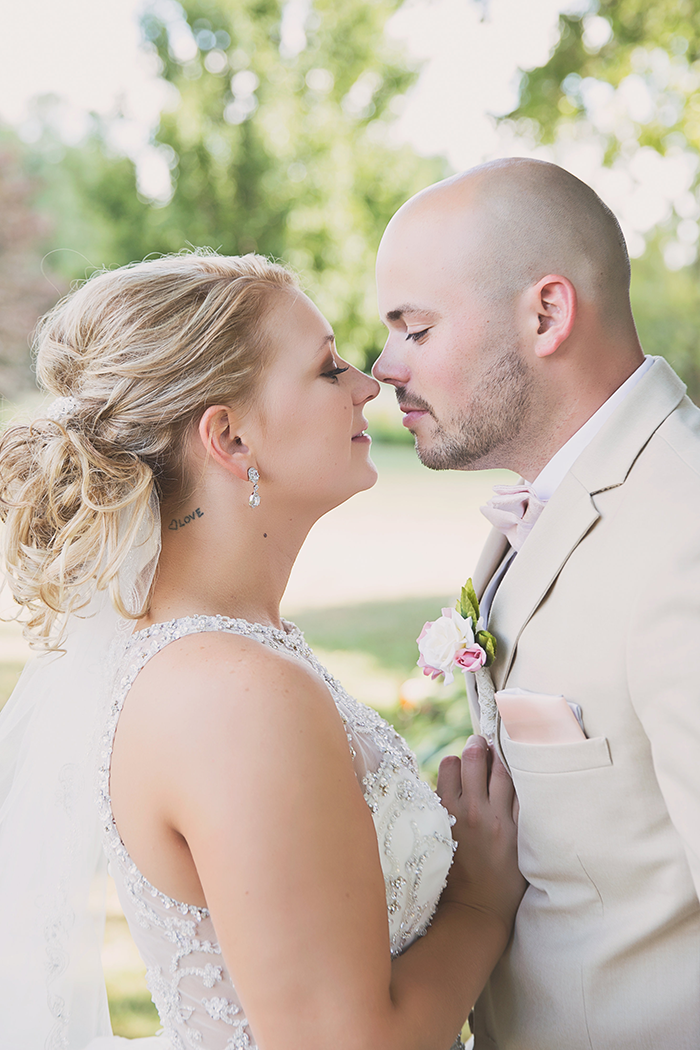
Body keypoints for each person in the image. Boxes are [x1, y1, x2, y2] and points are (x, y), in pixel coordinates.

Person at [0, 250, 524, 1050]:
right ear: (231, 437)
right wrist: (481, 904)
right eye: (327, 368)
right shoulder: (230, 691)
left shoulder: (233, 653)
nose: (369, 382)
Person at [372, 157, 700, 1049]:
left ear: (547, 314)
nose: (384, 367)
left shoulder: (683, 532)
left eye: (415, 327)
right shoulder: (558, 501)